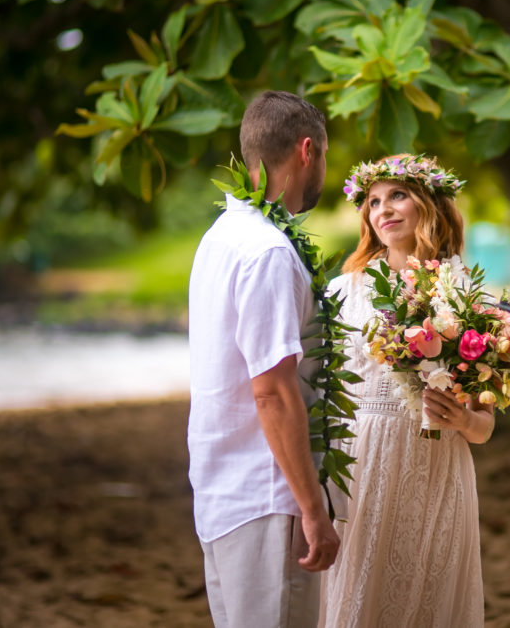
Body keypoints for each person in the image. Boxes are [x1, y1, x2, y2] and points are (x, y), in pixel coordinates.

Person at [319, 154, 492, 627]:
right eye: (373, 202)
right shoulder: (341, 292)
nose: (383, 209)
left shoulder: (465, 298)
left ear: (427, 205)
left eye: (397, 195)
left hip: (439, 467)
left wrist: (462, 420)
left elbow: (483, 427)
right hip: (360, 461)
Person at [188, 90, 339, 627]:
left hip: (220, 490)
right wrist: (313, 509)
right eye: (324, 154)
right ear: (306, 151)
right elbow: (272, 391)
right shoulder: (269, 252)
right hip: (267, 495)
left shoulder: (220, 237)